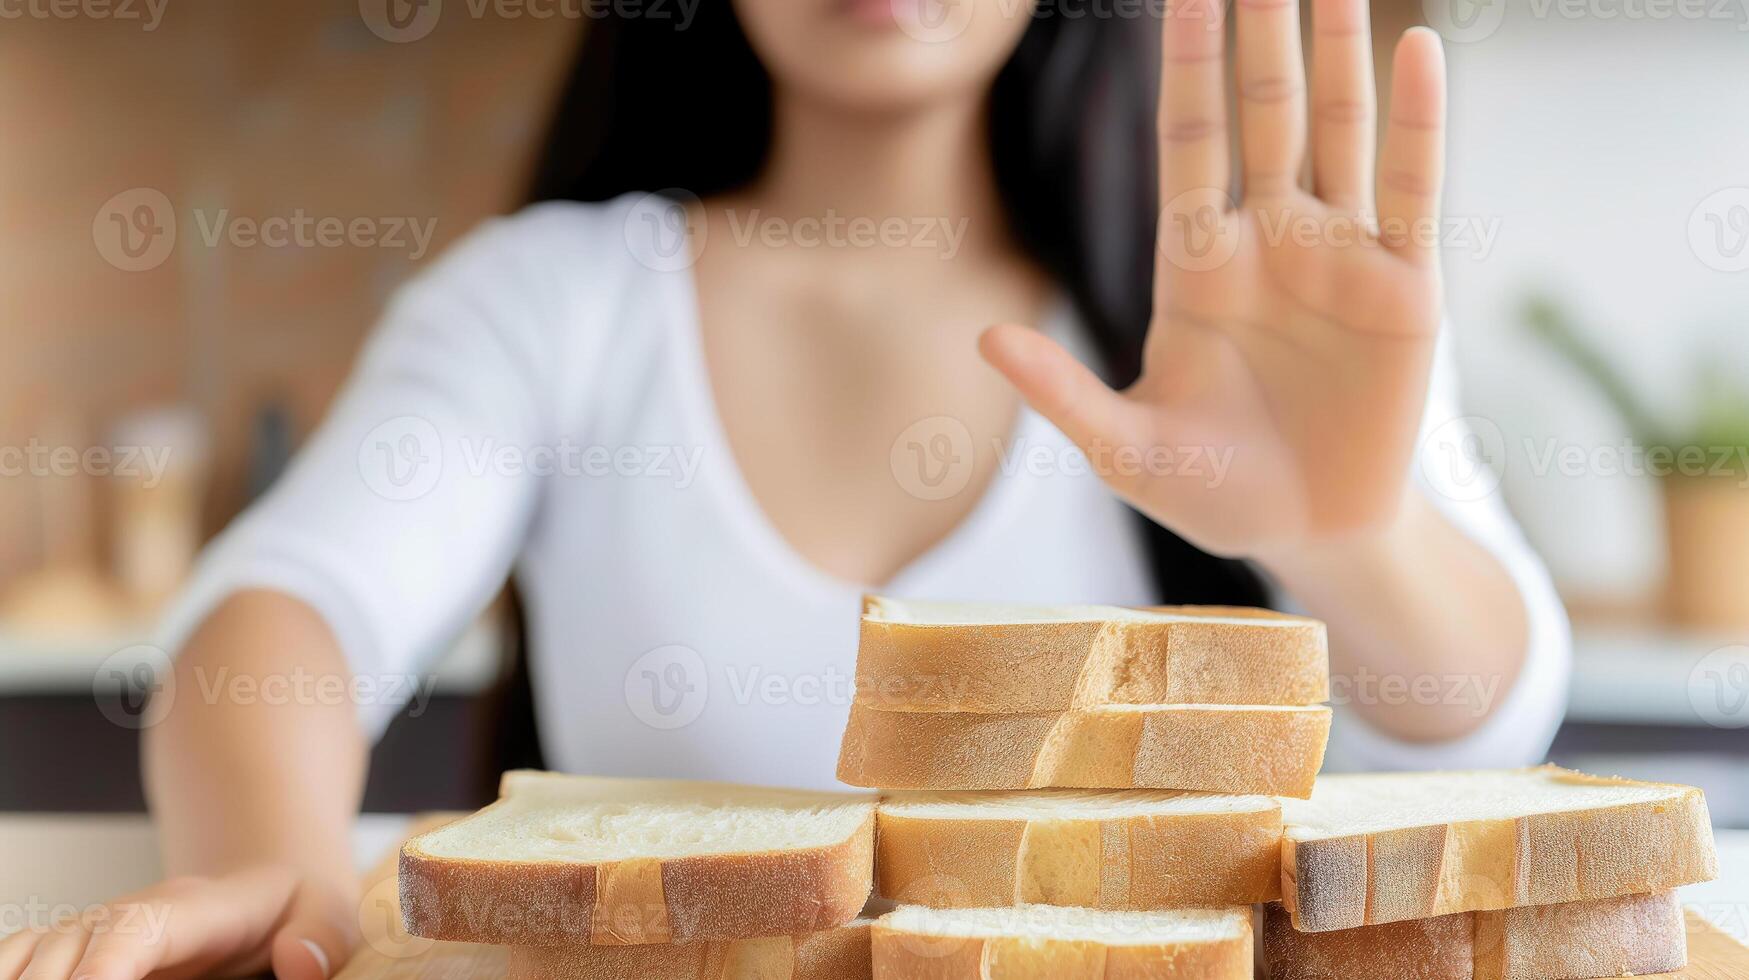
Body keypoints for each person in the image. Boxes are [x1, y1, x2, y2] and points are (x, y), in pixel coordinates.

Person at [4, 2, 1570, 979]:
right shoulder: (560, 303)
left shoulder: (1233, 309)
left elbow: (1482, 717)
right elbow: (290, 610)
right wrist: (285, 881)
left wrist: (1344, 532)